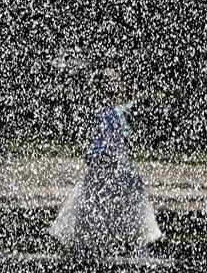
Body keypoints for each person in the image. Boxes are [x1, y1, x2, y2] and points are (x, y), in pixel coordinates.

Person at [48, 70, 162, 255]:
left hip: (106, 168)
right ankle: (138, 250)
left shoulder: (106, 113)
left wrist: (94, 155)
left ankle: (84, 249)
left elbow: (105, 141)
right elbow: (123, 141)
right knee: (126, 209)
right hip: (115, 168)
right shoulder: (114, 113)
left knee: (92, 208)